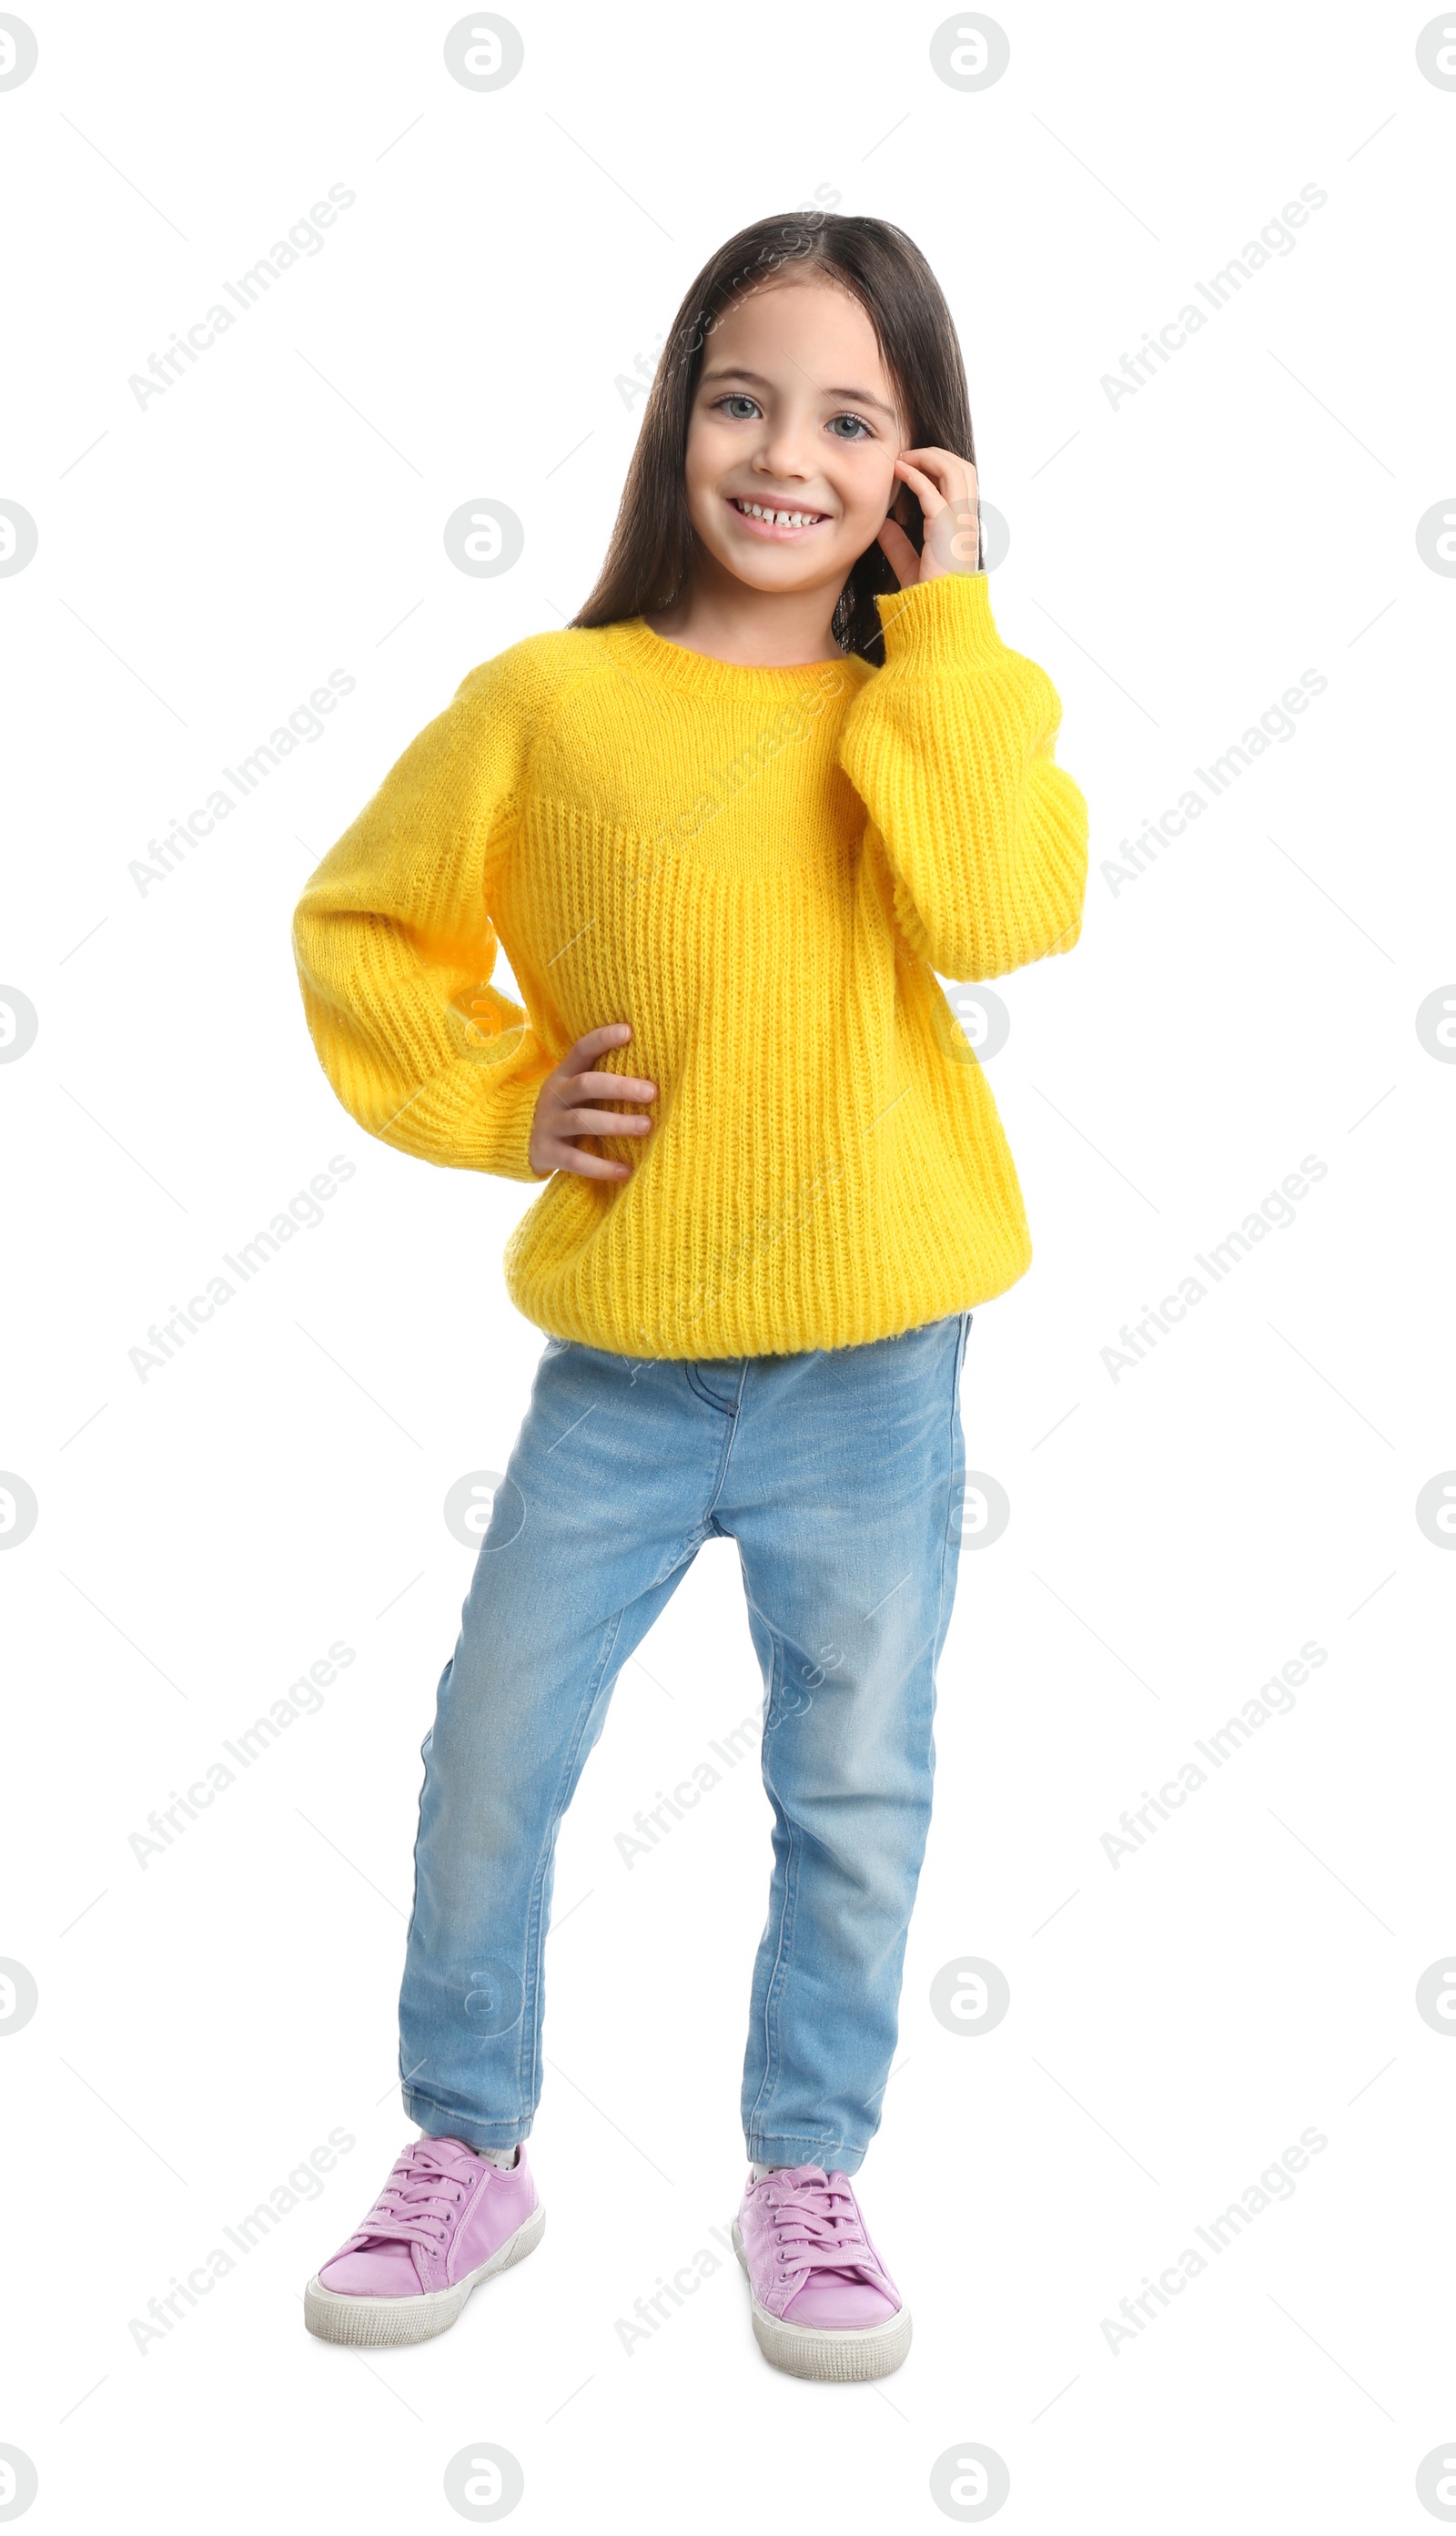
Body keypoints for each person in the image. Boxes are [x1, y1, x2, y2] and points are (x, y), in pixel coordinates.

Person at [290, 210, 1087, 2381]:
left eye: (852, 419)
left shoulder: (919, 709)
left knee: (851, 1783)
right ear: (677, 415)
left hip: (873, 1368)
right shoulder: (549, 702)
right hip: (625, 1370)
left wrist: (953, 630)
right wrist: (502, 1097)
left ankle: (804, 2172)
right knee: (491, 1750)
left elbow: (1006, 913)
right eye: (743, 396)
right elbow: (366, 930)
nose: (783, 453)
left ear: (915, 468)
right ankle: (472, 2141)